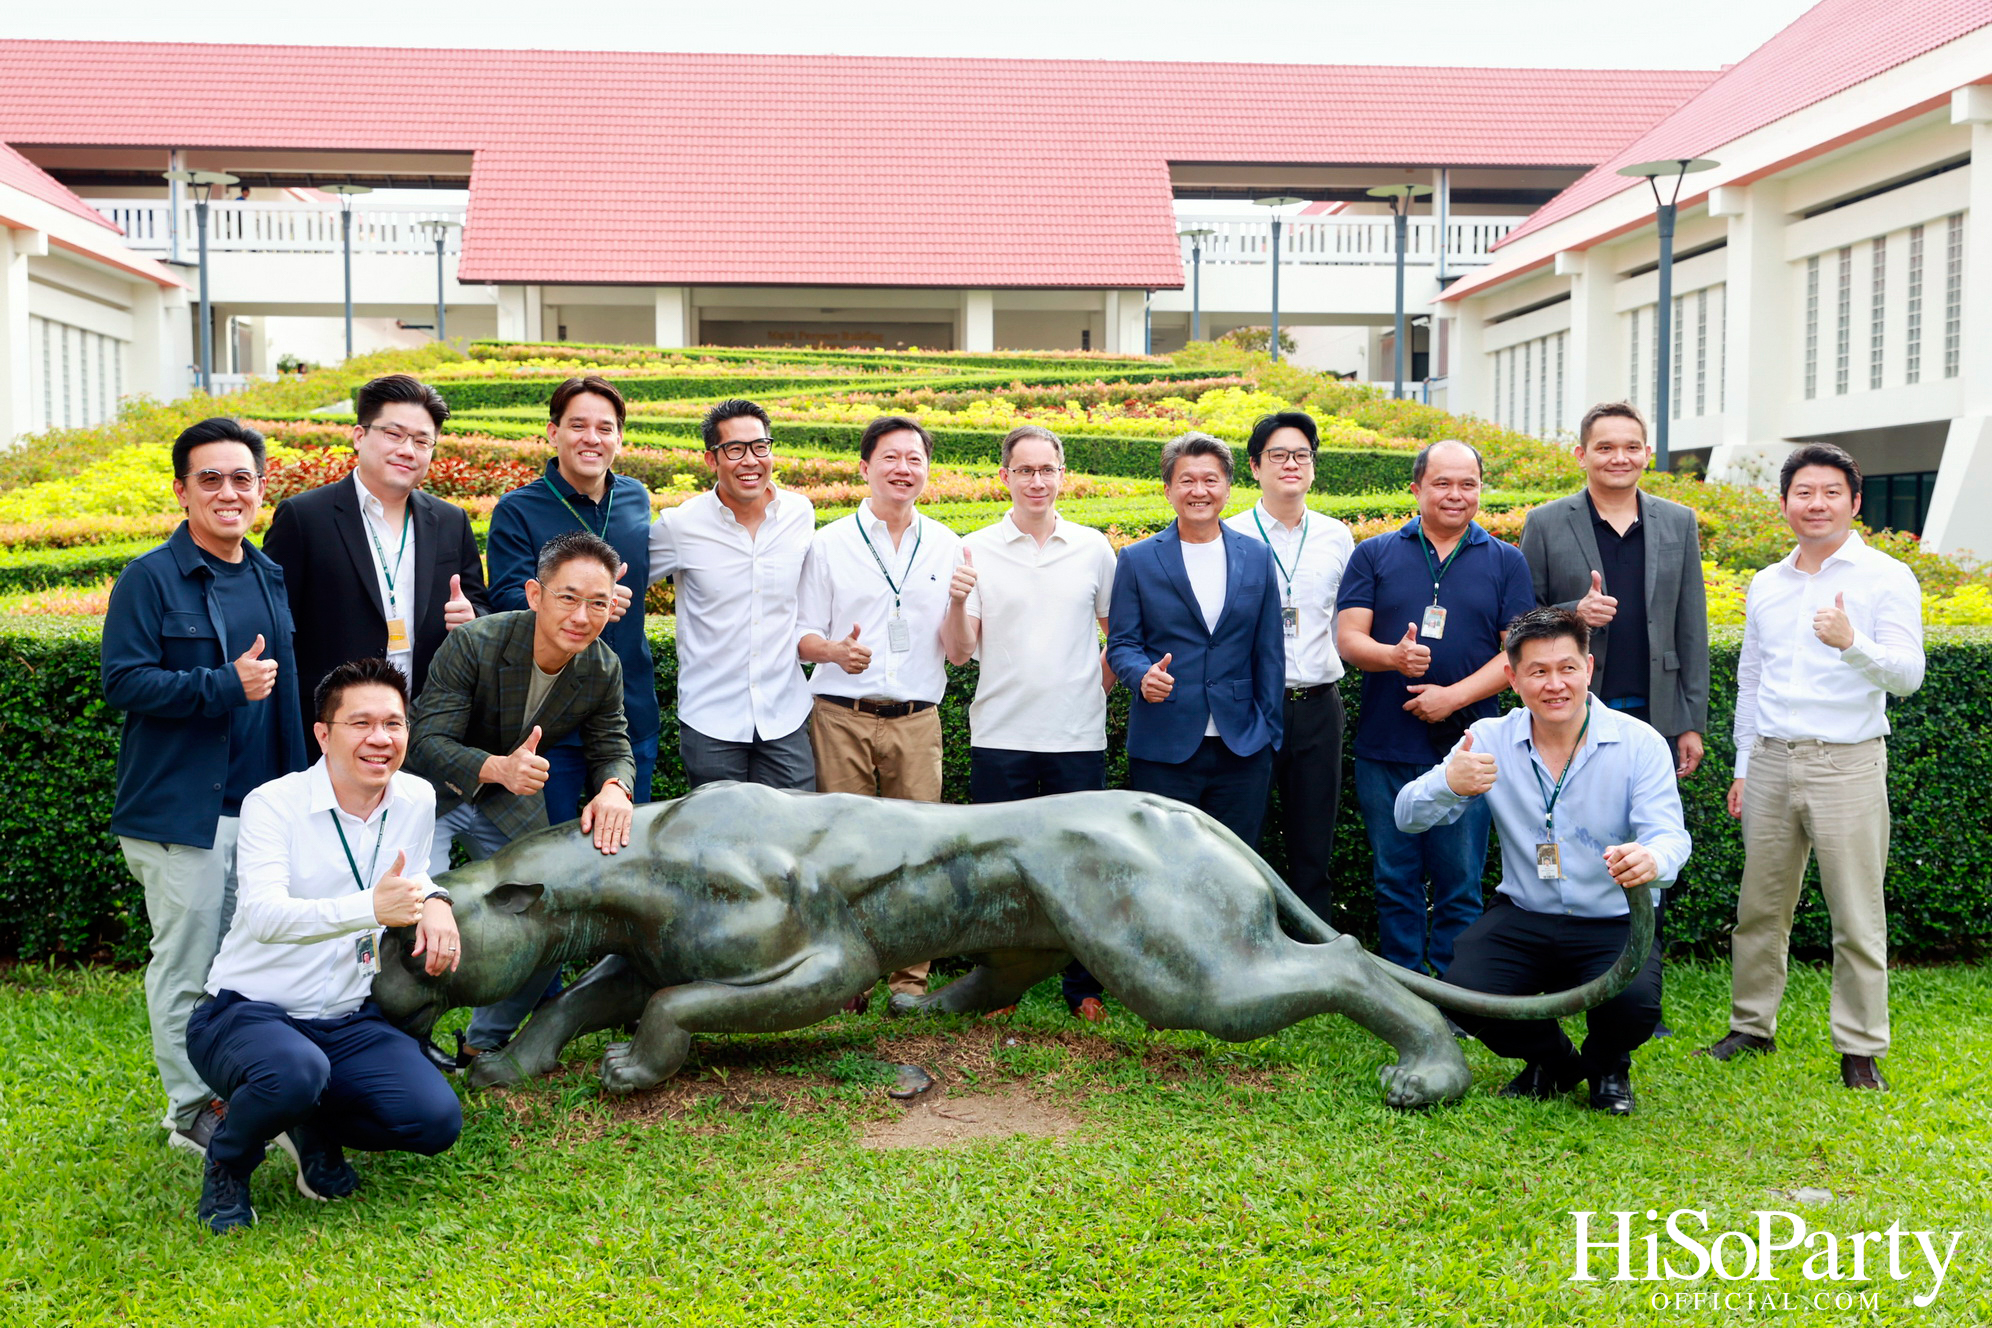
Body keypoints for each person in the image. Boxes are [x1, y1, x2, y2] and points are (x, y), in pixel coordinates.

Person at [185, 658, 463, 1232]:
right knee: (291, 1072)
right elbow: (262, 915)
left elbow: (416, 875)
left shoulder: (414, 798)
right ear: (323, 734)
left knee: (435, 1121)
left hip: (345, 1017)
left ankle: (312, 1124)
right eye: (360, 724)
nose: (380, 739)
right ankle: (229, 1163)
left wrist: (437, 902)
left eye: (394, 723)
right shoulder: (273, 804)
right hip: (245, 1011)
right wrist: (370, 909)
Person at [102, 417, 308, 1158]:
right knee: (187, 965)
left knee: (247, 964)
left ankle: (243, 1092)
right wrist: (223, 683)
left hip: (256, 810)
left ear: (261, 488)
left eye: (242, 479)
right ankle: (190, 1109)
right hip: (180, 814)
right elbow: (122, 681)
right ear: (183, 490)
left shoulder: (265, 573)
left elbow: (282, 697)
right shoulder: (149, 578)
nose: (229, 492)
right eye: (210, 479)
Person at [1396, 608, 1688, 1115]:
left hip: (1612, 916)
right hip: (1525, 911)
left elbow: (1670, 836)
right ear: (1512, 678)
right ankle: (1555, 1062)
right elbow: (1406, 815)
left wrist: (1650, 858)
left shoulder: (1638, 742)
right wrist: (1447, 783)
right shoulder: (1486, 739)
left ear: (1589, 668)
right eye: (1538, 672)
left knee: (1634, 1007)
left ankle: (1607, 1066)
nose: (1555, 685)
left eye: (1567, 668)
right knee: (1464, 992)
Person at [1697, 443, 1924, 1092]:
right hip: (1770, 761)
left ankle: (1858, 1049)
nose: (1816, 503)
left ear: (1854, 503)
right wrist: (1744, 764)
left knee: (1856, 915)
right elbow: (1752, 678)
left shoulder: (1886, 578)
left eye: (1831, 492)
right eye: (1804, 492)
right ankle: (1751, 1026)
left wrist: (1854, 644)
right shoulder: (1768, 583)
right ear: (1785, 503)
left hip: (1846, 764)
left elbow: (1908, 676)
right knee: (1760, 908)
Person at [408, 530, 638, 1061]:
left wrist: (613, 789)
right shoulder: (476, 642)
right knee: (414, 910)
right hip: (431, 788)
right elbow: (427, 741)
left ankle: (484, 1043)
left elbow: (613, 744)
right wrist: (496, 767)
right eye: (568, 597)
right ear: (535, 595)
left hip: (508, 796)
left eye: (598, 603)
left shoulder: (602, 667)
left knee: (549, 907)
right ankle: (402, 1044)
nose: (582, 615)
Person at [1520, 400, 1708, 1035]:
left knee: (1649, 851)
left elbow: (1692, 625)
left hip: (1652, 713)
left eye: (1631, 446)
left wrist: (1690, 721)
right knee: (1573, 842)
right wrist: (1577, 612)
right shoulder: (1547, 523)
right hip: (1570, 712)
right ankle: (1571, 973)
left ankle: (1636, 984)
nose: (1619, 457)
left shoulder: (1678, 522)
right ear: (1582, 454)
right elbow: (1525, 622)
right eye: (1605, 447)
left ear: (1647, 453)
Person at [1336, 439, 1534, 976]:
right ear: (1417, 488)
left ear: (1479, 490)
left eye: (1467, 484)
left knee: (1459, 882)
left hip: (1471, 749)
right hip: (1385, 744)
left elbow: (1515, 654)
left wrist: (1453, 698)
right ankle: (1403, 988)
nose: (1455, 495)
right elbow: (1348, 639)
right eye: (1442, 483)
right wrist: (1392, 657)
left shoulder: (1505, 561)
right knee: (1394, 877)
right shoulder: (1374, 553)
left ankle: (1455, 991)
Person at [942, 425, 1118, 1019]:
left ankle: (1083, 987)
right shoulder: (975, 549)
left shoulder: (1093, 548)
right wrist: (958, 600)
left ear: (1062, 474)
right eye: (1025, 470)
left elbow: (1116, 636)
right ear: (1005, 477)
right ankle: (1001, 988)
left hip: (1076, 735)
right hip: (1000, 733)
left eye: (1047, 469)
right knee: (998, 871)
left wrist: (1093, 689)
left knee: (1081, 867)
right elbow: (961, 651)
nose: (1037, 481)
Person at [796, 415, 963, 1004]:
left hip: (917, 720)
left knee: (916, 854)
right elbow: (802, 636)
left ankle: (909, 980)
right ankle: (846, 976)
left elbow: (962, 651)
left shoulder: (947, 544)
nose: (903, 469)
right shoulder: (830, 542)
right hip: (840, 714)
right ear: (865, 468)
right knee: (842, 852)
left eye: (914, 458)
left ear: (926, 470)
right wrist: (835, 651)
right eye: (890, 458)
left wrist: (963, 606)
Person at [263, 372, 488, 752]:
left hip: (425, 726)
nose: (407, 450)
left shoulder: (451, 520)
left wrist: (473, 618)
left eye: (422, 441)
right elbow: (274, 625)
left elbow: (480, 603)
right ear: (359, 436)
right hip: (334, 727)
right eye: (394, 434)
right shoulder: (305, 518)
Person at [486, 376, 657, 818]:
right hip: (548, 720)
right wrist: (580, 603)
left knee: (629, 848)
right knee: (548, 860)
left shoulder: (635, 497)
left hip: (629, 710)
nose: (592, 439)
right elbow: (504, 597)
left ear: (619, 436)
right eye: (578, 425)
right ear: (553, 432)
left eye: (605, 428)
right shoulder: (518, 508)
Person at [1106, 432, 1284, 846]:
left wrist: (1269, 734)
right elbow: (1123, 644)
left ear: (1227, 487)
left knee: (1238, 868)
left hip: (1243, 747)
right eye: (1187, 480)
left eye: (1210, 479)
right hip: (1164, 745)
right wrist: (1141, 676)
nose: (1199, 491)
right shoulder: (1137, 558)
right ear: (1168, 490)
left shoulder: (1256, 556)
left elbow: (1269, 652)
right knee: (1164, 867)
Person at [1224, 411, 1355, 923]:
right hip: (1252, 704)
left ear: (1313, 467)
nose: (1291, 464)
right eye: (1278, 455)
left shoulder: (1336, 536)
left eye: (1302, 455)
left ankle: (1316, 951)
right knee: (1241, 837)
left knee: (1312, 841)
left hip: (1319, 705)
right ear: (1255, 467)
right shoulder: (1230, 534)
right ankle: (1240, 942)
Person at [648, 398, 816, 790]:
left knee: (797, 835)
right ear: (712, 459)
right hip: (711, 720)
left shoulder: (799, 513)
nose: (750, 460)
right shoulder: (680, 526)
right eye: (735, 450)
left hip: (784, 715)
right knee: (719, 844)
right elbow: (624, 582)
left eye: (760, 447)